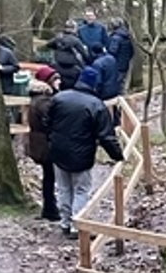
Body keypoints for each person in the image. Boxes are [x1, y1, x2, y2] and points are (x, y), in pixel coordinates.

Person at [45, 65, 123, 236]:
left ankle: (65, 222)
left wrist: (52, 140)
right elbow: (106, 136)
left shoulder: (59, 98)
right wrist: (118, 155)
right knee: (81, 189)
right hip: (81, 153)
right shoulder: (96, 105)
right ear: (94, 85)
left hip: (58, 150)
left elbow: (47, 122)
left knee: (64, 187)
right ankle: (77, 224)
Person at [24, 78, 60, 220]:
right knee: (51, 176)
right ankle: (51, 209)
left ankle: (49, 207)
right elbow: (49, 119)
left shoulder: (34, 102)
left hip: (38, 143)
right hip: (46, 144)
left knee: (48, 176)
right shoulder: (43, 103)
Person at [48, 25, 88, 91]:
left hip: (58, 64)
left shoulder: (58, 38)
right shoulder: (76, 40)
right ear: (74, 29)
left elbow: (48, 44)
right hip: (72, 65)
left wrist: (57, 47)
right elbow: (84, 53)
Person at [106, 19, 134, 92]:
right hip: (125, 63)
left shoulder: (116, 37)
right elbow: (132, 51)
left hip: (116, 64)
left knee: (116, 83)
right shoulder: (127, 36)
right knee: (122, 82)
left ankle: (117, 98)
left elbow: (112, 51)